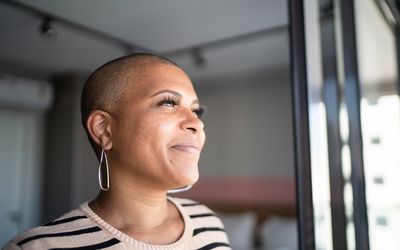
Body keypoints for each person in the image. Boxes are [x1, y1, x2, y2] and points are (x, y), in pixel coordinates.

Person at [3, 53, 231, 249]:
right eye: (169, 103)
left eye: (196, 111)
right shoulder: (38, 247)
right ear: (104, 129)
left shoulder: (208, 222)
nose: (197, 123)